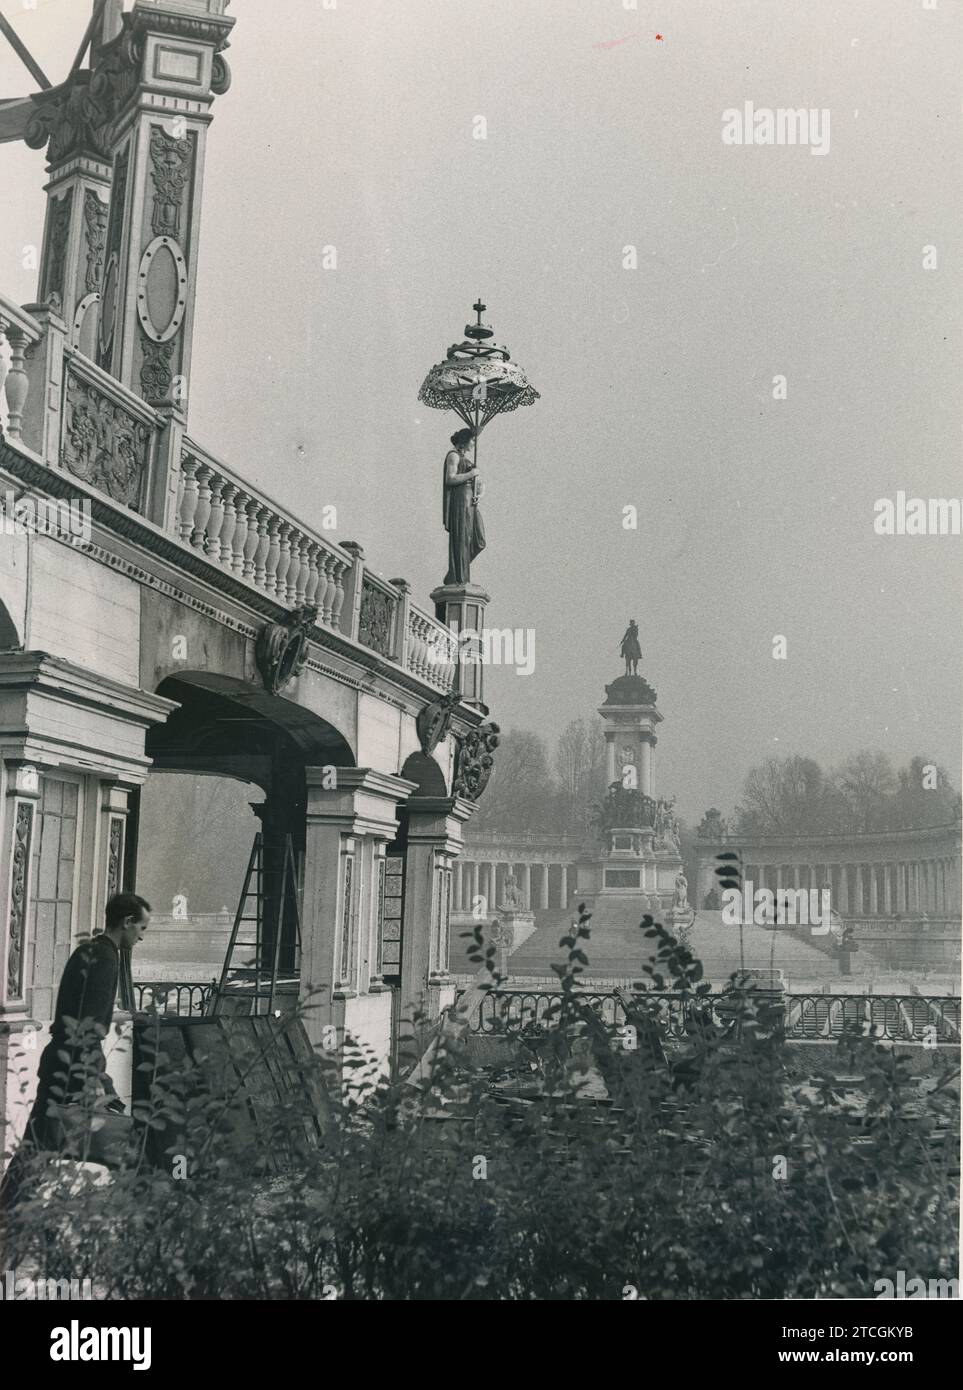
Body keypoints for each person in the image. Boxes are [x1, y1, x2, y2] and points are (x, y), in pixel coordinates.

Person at [1, 893, 151, 1207]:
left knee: (40, 1139)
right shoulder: (107, 959)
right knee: (122, 1139)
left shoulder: (87, 950)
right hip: (76, 1066)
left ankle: (11, 1208)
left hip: (60, 1060)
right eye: (141, 927)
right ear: (126, 922)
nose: (141, 935)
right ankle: (139, 1211)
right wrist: (99, 1081)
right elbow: (89, 1028)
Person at [443, 427, 485, 584]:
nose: (474, 444)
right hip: (460, 500)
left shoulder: (467, 460)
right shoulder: (453, 456)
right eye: (472, 440)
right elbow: (450, 478)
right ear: (465, 440)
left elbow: (480, 483)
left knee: (479, 540)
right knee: (462, 539)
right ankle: (460, 577)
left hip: (471, 501)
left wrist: (480, 493)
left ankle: (455, 571)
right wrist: (471, 474)